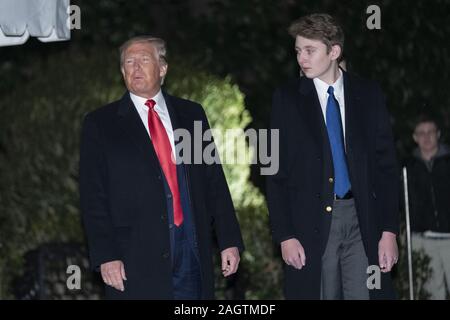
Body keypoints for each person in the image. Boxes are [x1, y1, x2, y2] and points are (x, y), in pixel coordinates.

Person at [79, 36, 244, 299]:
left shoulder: (191, 115)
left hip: (191, 253)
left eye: (144, 60)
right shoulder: (101, 124)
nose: (135, 68)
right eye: (128, 63)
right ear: (122, 72)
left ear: (163, 68)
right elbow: (92, 197)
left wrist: (229, 240)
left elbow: (213, 182)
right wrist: (106, 255)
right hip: (135, 260)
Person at [266, 13, 399, 299]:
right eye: (298, 51)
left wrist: (389, 230)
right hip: (311, 224)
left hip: (363, 220)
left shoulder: (368, 94)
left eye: (310, 50)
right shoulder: (286, 98)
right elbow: (273, 172)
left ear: (334, 52)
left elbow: (386, 168)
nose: (302, 58)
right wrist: (285, 236)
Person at [407, 115, 450, 299]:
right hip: (424, 240)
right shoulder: (407, 167)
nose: (426, 137)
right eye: (421, 133)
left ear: (438, 134)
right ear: (415, 137)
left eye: (430, 132)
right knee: (434, 293)